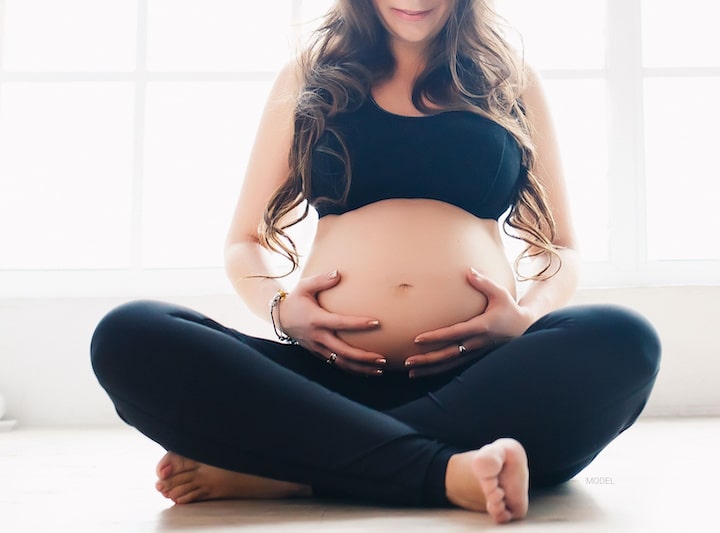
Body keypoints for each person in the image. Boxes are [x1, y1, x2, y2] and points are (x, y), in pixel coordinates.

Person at [90, 0, 660, 525]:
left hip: (477, 384)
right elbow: (244, 240)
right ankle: (444, 469)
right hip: (323, 384)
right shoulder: (310, 77)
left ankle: (292, 470)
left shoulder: (508, 80)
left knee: (623, 339)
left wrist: (526, 316)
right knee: (130, 334)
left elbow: (560, 247)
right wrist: (282, 311)